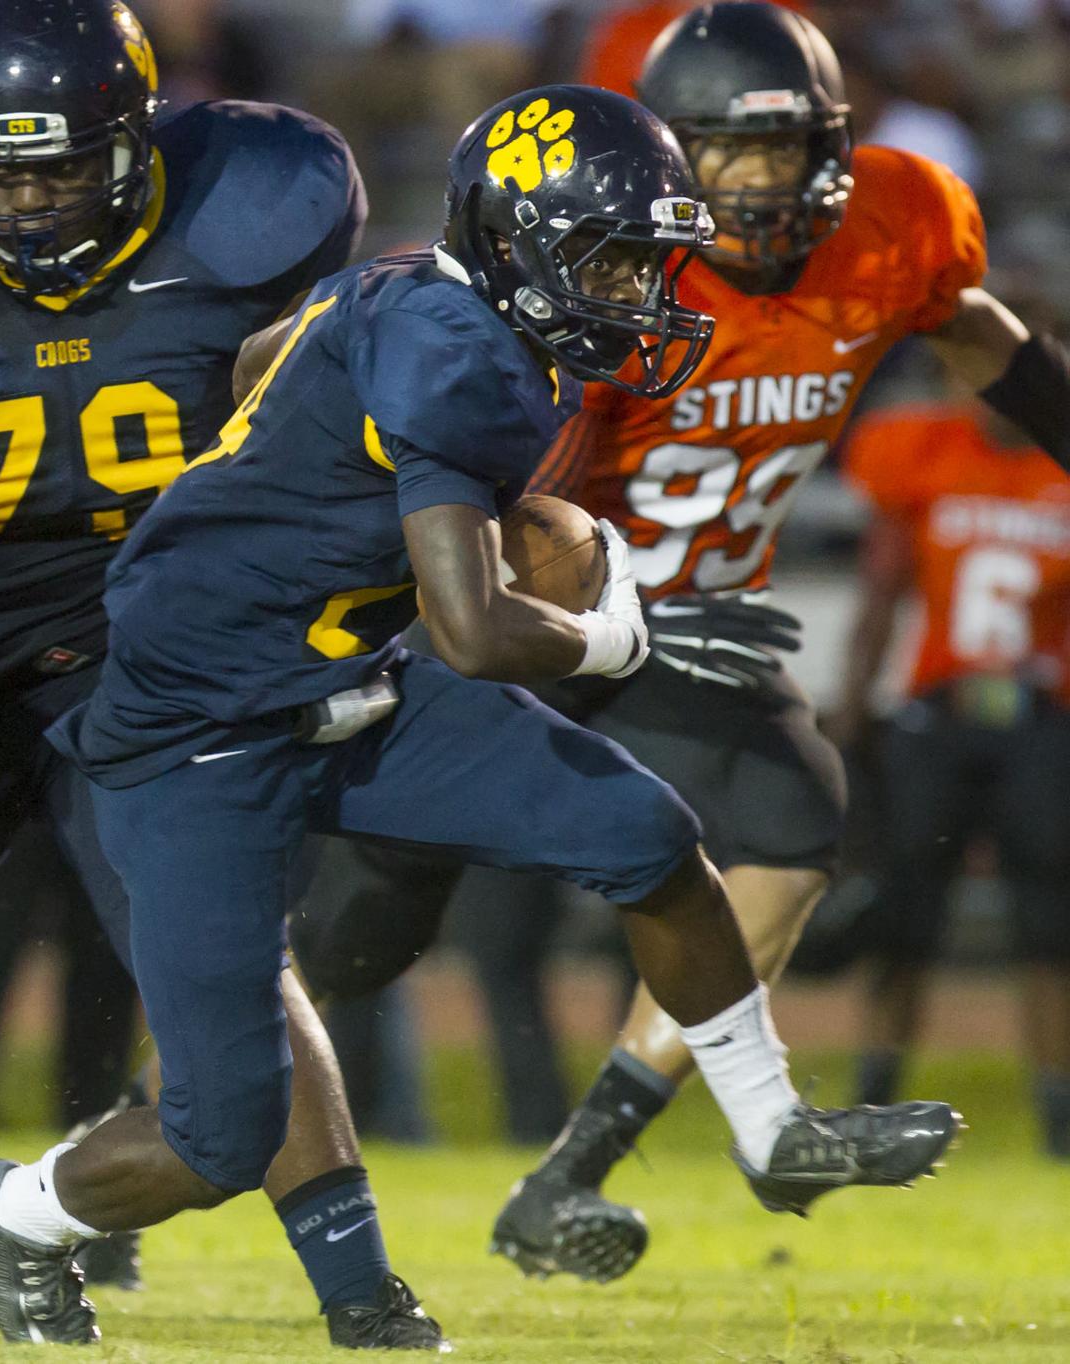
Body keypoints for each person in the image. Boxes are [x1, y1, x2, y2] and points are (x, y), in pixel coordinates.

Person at [0, 80, 955, 1350]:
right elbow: (476, 632)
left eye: (648, 256)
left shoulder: (414, 288)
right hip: (198, 734)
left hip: (339, 680)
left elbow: (268, 359)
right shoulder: (459, 349)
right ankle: (20, 1210)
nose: (643, 287)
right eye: (614, 256)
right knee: (221, 1132)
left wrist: (279, 482)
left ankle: (772, 1127)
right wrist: (607, 631)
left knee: (649, 835)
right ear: (517, 240)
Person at [283, 1, 1070, 1284]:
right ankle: (165, 1125)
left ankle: (582, 1168)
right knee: (370, 919)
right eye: (728, 156)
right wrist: (609, 602)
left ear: (835, 141)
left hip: (702, 625)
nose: (761, 187)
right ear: (667, 160)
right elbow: (473, 486)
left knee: (790, 821)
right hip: (532, 607)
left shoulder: (899, 221)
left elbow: (979, 329)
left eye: (785, 152)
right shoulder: (607, 255)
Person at [0, 0, 445, 1348]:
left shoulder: (257, 210)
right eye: (3, 171)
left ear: (138, 144)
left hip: (142, 678)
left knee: (235, 977)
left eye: (64, 167)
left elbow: (351, 407)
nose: (32, 202)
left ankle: (362, 1297)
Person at [830, 390, 1070, 1155]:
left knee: (1050, 927)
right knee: (904, 915)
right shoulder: (923, 449)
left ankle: (1058, 1117)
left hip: (1043, 720)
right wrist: (854, 708)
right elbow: (883, 587)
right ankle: (874, 1101)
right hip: (937, 717)